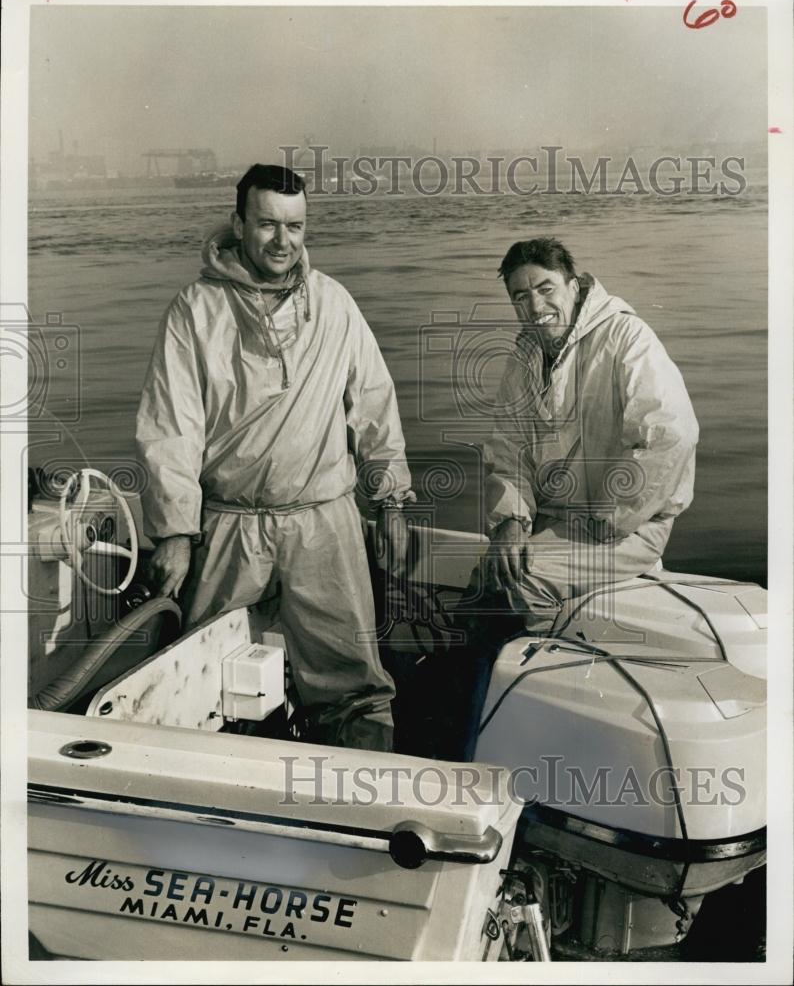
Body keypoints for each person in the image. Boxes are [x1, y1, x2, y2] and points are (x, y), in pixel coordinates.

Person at [135, 164, 413, 751]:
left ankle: (365, 803)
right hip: (229, 525)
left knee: (354, 686)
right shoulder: (195, 310)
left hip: (324, 522)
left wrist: (390, 500)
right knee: (204, 679)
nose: (283, 241)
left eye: (295, 226)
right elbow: (171, 428)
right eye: (267, 224)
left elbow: (374, 406)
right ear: (239, 225)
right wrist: (176, 532)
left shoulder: (334, 303)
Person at [443, 236, 699, 760]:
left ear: (574, 285)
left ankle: (496, 742)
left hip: (628, 525)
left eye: (544, 288)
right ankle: (468, 726)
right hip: (561, 523)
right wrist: (510, 524)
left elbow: (671, 432)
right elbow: (509, 451)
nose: (535, 307)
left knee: (513, 586)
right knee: (486, 580)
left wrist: (612, 514)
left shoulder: (626, 337)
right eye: (520, 296)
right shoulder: (525, 356)